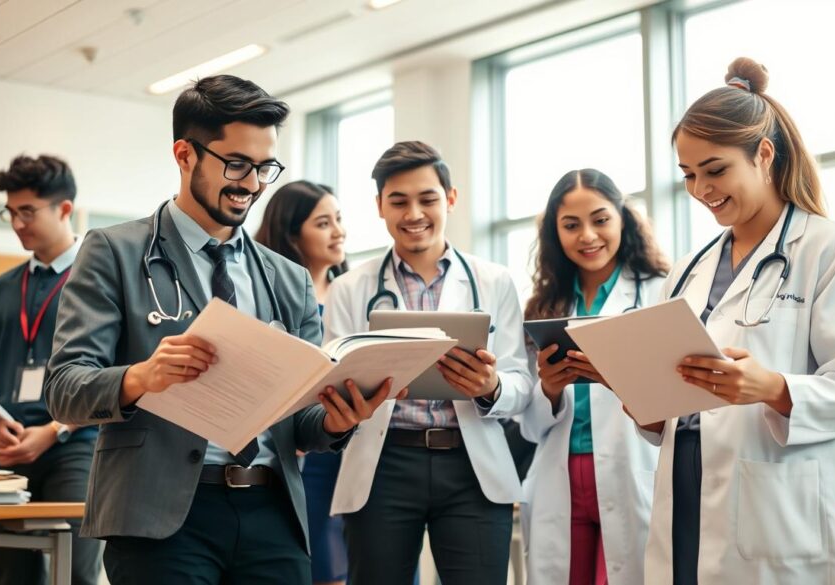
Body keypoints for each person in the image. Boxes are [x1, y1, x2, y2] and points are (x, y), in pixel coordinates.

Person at [43, 75, 394, 585]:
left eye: (264, 168)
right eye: (235, 164)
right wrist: (140, 378)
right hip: (160, 518)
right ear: (184, 155)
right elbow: (64, 388)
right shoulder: (113, 252)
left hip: (271, 512)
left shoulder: (287, 277)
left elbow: (300, 422)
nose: (251, 184)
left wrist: (339, 421)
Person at [636, 58, 835, 585]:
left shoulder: (829, 249)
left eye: (715, 169)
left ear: (764, 155)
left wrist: (771, 387)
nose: (700, 188)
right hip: (685, 493)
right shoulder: (688, 270)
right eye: (688, 175)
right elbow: (671, 408)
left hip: (773, 509)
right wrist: (644, 402)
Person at [323, 140, 532, 585]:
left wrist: (490, 386)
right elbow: (332, 380)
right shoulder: (350, 289)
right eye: (398, 201)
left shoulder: (493, 281)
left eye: (427, 199)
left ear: (450, 199)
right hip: (385, 463)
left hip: (470, 467)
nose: (413, 213)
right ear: (379, 206)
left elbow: (521, 385)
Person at [519, 168, 668, 585]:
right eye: (571, 225)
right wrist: (549, 388)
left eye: (600, 219)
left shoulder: (661, 291)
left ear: (623, 218)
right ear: (555, 233)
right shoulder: (542, 307)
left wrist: (619, 376)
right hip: (559, 476)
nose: (587, 236)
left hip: (633, 466)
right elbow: (529, 425)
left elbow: (677, 397)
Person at [0, 154, 101, 585]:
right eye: (11, 212)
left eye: (27, 212)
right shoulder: (1, 288)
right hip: (6, 445)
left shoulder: (96, 279)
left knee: (77, 572)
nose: (16, 223)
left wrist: (54, 430)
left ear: (64, 209)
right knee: (11, 573)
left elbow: (109, 374)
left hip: (76, 444)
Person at [255, 180, 349, 585]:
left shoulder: (353, 291)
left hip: (353, 439)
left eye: (339, 220)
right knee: (320, 563)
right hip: (304, 448)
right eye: (324, 223)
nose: (339, 231)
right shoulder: (270, 295)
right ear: (293, 233)